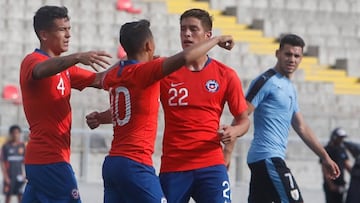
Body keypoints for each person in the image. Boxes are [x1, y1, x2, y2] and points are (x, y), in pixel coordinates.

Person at [85, 19, 234, 202]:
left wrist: (101, 117)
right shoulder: (146, 72)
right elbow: (185, 58)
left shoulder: (114, 75)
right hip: (136, 164)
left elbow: (126, 107)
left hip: (113, 164)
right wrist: (216, 40)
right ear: (149, 45)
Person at [19, 5, 112, 203]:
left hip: (41, 161)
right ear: (44, 34)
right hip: (50, 158)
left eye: (69, 29)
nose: (68, 35)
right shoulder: (32, 61)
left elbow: (100, 79)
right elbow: (41, 70)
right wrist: (77, 57)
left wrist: (135, 68)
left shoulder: (66, 70)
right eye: (62, 30)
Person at [158, 8, 249, 203]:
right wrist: (105, 116)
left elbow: (244, 121)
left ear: (208, 35)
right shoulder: (164, 71)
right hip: (174, 166)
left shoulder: (226, 75)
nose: (187, 34)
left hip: (211, 165)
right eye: (183, 29)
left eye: (193, 29)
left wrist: (234, 131)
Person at [245, 34, 340, 203]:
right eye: (288, 54)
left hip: (265, 160)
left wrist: (324, 156)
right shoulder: (266, 81)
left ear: (301, 58)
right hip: (267, 157)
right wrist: (227, 151)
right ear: (277, 54)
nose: (292, 59)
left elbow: (301, 126)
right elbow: (242, 114)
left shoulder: (290, 87)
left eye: (297, 56)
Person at [322, 128, 352, 203]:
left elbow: (347, 165)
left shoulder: (342, 149)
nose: (341, 140)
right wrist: (331, 185)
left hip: (340, 183)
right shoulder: (328, 150)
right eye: (340, 138)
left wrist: (355, 174)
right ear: (334, 137)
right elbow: (324, 168)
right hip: (331, 184)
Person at [0, 125, 26, 203]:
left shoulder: (22, 146)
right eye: (14, 133)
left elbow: (25, 162)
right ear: (11, 134)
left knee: (20, 197)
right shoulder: (6, 146)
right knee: (8, 197)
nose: (16, 134)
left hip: (19, 176)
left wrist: (25, 175)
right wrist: (5, 177)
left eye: (17, 133)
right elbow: (2, 162)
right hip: (9, 176)